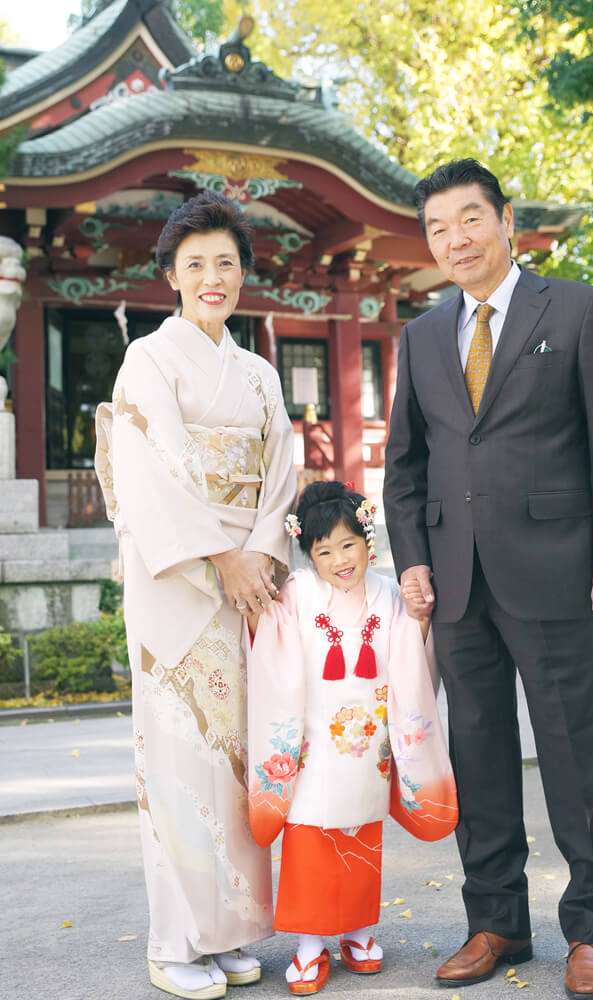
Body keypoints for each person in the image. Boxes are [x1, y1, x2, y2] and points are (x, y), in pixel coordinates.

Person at [383, 159, 593, 999]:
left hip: (559, 571)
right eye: (436, 228)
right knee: (480, 754)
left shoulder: (574, 308)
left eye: (469, 220)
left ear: (505, 222)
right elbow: (405, 467)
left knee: (577, 754)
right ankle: (495, 922)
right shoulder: (422, 336)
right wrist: (413, 560)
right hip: (457, 580)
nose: (454, 240)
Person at [94, 191, 297, 1000]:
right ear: (171, 278)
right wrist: (222, 555)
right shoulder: (150, 357)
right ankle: (174, 938)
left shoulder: (257, 373)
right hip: (180, 586)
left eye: (226, 263)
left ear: (242, 274)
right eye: (195, 265)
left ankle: (231, 931)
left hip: (245, 584)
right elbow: (150, 472)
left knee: (239, 761)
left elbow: (278, 480)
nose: (213, 278)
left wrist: (258, 557)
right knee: (180, 757)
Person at [244, 481, 458, 995]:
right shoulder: (296, 594)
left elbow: (409, 654)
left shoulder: (387, 592)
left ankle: (359, 932)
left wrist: (421, 618)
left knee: (362, 831)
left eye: (348, 545)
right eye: (324, 551)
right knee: (311, 834)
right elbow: (271, 648)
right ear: (308, 555)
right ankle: (310, 945)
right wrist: (259, 609)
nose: (340, 560)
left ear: (368, 542)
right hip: (313, 739)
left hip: (369, 744)